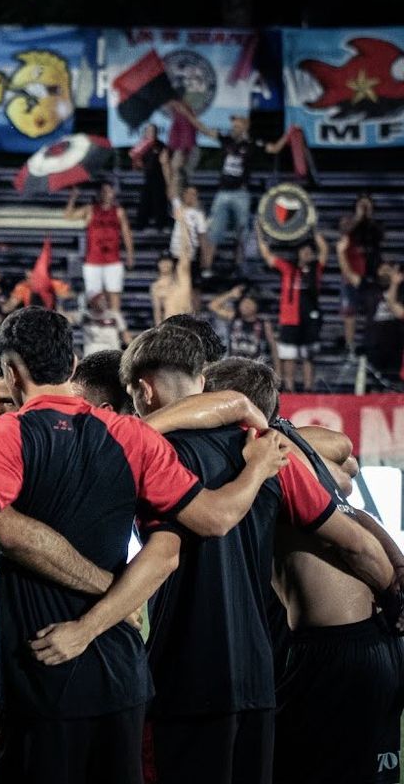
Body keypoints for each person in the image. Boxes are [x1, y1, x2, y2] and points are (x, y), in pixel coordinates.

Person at [0, 306, 292, 784]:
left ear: (11, 371)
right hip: (121, 679)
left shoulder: (10, 431)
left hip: (39, 672)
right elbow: (201, 527)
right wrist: (256, 467)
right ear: (73, 363)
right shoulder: (128, 434)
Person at [116, 328, 398, 784]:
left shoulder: (160, 451)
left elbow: (191, 535)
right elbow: (353, 523)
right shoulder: (275, 452)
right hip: (260, 673)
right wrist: (394, 589)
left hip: (189, 674)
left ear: (143, 389)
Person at [204, 358, 404, 784]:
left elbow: (350, 539)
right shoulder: (299, 446)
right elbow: (352, 498)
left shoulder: (263, 458)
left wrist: (394, 591)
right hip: (367, 640)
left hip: (336, 648)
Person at [188, 113, 288, 277]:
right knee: (213, 231)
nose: (234, 128)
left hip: (241, 193)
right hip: (222, 192)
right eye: (233, 125)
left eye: (237, 125)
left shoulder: (252, 144)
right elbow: (205, 131)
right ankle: (207, 268)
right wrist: (189, 116)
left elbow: (275, 148)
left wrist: (289, 133)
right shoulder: (227, 140)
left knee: (242, 232)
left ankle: (239, 266)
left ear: (245, 126)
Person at [258, 229, 327, 392]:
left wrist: (312, 227)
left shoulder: (316, 269)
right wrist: (260, 234)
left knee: (308, 356)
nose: (306, 253)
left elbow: (324, 249)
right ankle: (290, 388)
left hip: (310, 319)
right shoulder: (288, 269)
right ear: (298, 253)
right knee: (289, 356)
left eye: (309, 251)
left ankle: (308, 388)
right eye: (303, 251)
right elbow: (267, 255)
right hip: (289, 318)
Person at [64, 182, 134, 313]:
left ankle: (114, 326)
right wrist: (73, 197)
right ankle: (96, 326)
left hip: (113, 259)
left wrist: (130, 254)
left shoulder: (118, 211)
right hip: (93, 260)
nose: (106, 194)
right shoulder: (90, 209)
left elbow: (126, 233)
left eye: (109, 191)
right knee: (94, 297)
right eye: (103, 191)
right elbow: (68, 215)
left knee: (114, 294)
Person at [337, 194, 384, 355]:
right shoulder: (348, 222)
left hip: (369, 276)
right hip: (350, 275)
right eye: (361, 205)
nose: (364, 208)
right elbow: (344, 231)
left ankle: (369, 346)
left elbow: (380, 236)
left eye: (367, 205)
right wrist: (358, 216)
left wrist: (368, 216)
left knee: (371, 313)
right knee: (349, 313)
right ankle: (350, 347)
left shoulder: (374, 226)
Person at [209, 285, 279, 370]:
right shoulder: (234, 317)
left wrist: (277, 370)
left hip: (255, 369)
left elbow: (273, 347)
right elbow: (212, 306)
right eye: (243, 303)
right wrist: (231, 294)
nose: (245, 306)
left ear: (256, 306)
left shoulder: (264, 324)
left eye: (249, 303)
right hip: (234, 367)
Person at [150, 203, 198, 326]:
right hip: (169, 327)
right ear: (158, 264)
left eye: (167, 260)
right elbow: (157, 313)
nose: (165, 264)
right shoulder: (156, 287)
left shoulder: (181, 276)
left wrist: (182, 222)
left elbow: (186, 250)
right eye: (162, 261)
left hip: (187, 323)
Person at [66, 290, 133, 355]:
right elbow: (66, 318)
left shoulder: (114, 316)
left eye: (103, 299)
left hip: (112, 349)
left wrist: (132, 349)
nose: (102, 302)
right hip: (92, 350)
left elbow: (125, 336)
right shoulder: (84, 316)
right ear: (91, 302)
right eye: (99, 299)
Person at [132, 124, 169, 231]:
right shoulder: (142, 145)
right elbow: (137, 165)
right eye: (148, 131)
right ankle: (140, 225)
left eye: (152, 131)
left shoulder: (161, 145)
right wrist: (137, 162)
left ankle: (161, 226)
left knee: (160, 202)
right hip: (148, 177)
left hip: (159, 177)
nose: (150, 133)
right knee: (144, 201)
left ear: (156, 133)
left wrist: (168, 182)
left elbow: (165, 164)